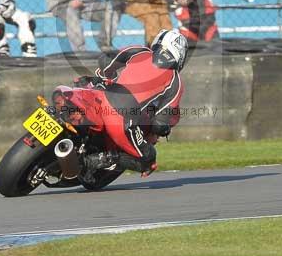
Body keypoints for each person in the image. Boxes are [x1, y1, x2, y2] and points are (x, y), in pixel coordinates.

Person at [52, 28, 188, 177]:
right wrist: (163, 129)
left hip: (98, 94)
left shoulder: (139, 51)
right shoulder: (176, 81)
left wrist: (106, 77)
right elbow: (160, 123)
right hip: (121, 116)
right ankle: (90, 162)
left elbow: (106, 61)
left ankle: (55, 119)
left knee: (70, 99)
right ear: (181, 55)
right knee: (148, 159)